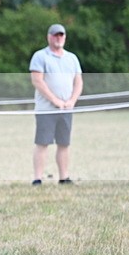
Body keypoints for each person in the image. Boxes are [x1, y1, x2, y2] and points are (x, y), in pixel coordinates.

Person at [29, 23, 83, 185]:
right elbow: (37, 81)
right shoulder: (40, 56)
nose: (58, 38)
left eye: (61, 35)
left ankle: (64, 177)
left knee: (64, 143)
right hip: (46, 109)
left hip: (66, 109)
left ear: (65, 37)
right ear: (49, 37)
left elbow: (78, 82)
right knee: (42, 143)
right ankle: (38, 178)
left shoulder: (72, 58)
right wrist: (55, 101)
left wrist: (72, 100)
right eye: (55, 35)